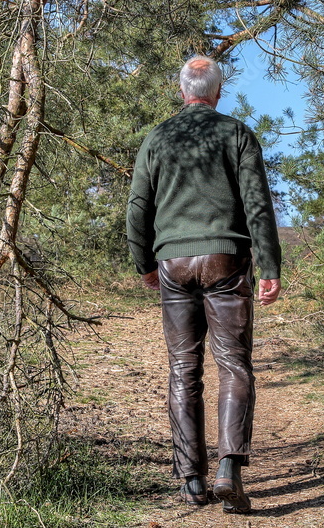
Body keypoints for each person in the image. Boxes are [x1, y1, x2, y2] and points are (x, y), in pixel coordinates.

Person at [126, 56, 281, 514]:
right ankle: (228, 469)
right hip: (226, 260)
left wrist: (145, 264)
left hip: (173, 262)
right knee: (233, 363)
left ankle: (191, 480)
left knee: (182, 367)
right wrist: (269, 266)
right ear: (217, 92)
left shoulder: (156, 138)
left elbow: (138, 208)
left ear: (182, 92)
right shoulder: (236, 134)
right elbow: (258, 205)